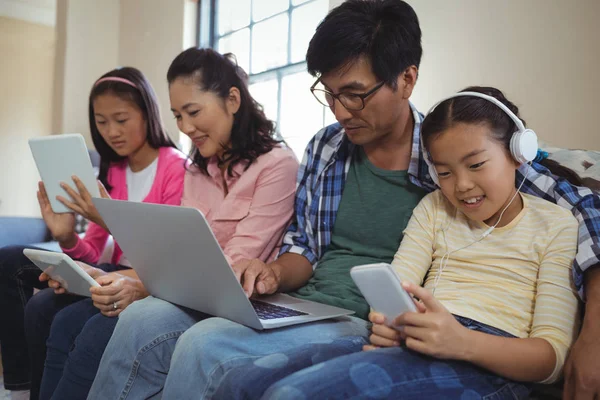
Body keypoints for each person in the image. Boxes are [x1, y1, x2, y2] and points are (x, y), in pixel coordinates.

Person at [89, 1, 600, 399]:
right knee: (144, 319)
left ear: (407, 78)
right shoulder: (328, 148)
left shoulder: (458, 155)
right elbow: (303, 249)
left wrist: (592, 335)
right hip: (301, 305)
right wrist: (269, 273)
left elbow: (581, 214)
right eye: (328, 92)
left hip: (368, 321)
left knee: (204, 346)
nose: (339, 109)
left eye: (354, 93)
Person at [223, 87, 581, 399]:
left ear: (519, 152)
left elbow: (551, 360)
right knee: (242, 381)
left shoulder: (556, 224)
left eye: (476, 165)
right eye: (443, 172)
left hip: (492, 360)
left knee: (291, 394)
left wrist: (462, 342)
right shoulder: (435, 207)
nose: (462, 185)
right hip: (419, 339)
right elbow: (394, 286)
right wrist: (388, 321)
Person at [47, 47, 298, 400]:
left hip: (230, 300)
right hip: (182, 291)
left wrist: (142, 285)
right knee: (73, 321)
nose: (185, 127)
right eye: (178, 116)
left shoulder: (277, 165)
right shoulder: (196, 169)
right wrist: (116, 276)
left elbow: (230, 268)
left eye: (193, 112)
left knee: (108, 328)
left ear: (233, 100)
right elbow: (173, 254)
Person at [0, 66, 186, 400]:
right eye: (101, 122)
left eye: (121, 118)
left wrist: (105, 217)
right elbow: (94, 253)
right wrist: (67, 238)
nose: (112, 131)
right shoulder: (112, 169)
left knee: (46, 309)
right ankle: (21, 389)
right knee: (8, 260)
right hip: (109, 270)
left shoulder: (175, 167)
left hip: (142, 277)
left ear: (147, 113)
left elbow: (164, 256)